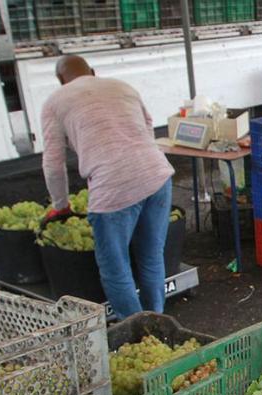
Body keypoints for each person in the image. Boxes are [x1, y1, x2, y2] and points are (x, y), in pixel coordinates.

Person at [40, 54, 174, 317]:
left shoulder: (55, 102)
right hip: (157, 175)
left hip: (113, 188)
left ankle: (136, 333)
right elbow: (147, 130)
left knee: (115, 268)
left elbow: (53, 164)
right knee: (151, 257)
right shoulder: (123, 87)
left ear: (60, 80)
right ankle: (157, 322)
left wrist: (61, 206)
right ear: (92, 70)